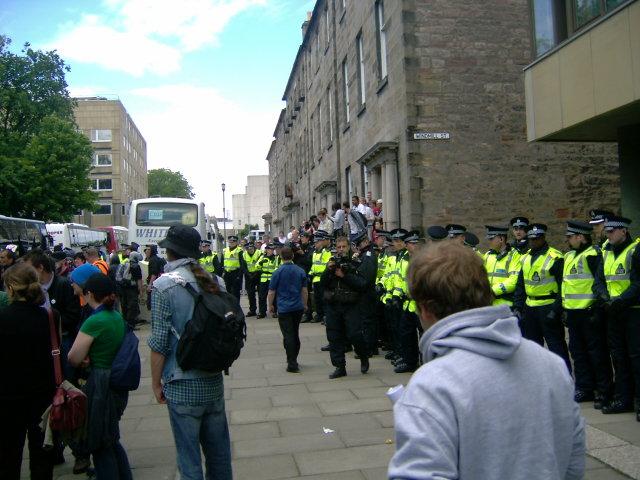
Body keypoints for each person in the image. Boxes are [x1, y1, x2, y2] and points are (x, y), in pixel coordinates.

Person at [388, 241, 585, 480]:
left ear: (425, 309)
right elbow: (573, 464)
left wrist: (416, 414)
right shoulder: (552, 365)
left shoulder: (432, 385)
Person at [148, 225, 232, 480]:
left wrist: (155, 383)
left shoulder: (163, 286)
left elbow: (159, 344)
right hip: (213, 379)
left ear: (170, 252)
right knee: (219, 457)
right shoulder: (216, 281)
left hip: (181, 381)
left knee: (189, 461)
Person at [68, 273, 132, 480]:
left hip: (100, 383)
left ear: (90, 294)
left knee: (100, 440)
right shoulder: (115, 316)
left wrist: (85, 358)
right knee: (111, 438)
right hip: (115, 380)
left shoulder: (94, 321)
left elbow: (73, 358)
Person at [0, 263, 57, 480]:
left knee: (7, 458)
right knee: (42, 458)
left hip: (7, 398)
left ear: (12, 289)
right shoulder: (50, 318)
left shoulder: (3, 319)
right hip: (43, 397)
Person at [562, 220, 613, 409]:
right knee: (578, 353)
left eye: (570, 237)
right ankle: (585, 387)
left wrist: (598, 310)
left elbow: (600, 283)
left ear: (580, 237)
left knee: (597, 354)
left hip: (590, 312)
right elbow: (566, 285)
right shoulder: (568, 256)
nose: (567, 241)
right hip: (574, 313)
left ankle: (603, 390)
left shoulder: (593, 255)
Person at [593, 215, 640, 419]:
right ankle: (623, 398)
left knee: (636, 358)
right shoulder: (606, 252)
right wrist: (605, 298)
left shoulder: (635, 251)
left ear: (623, 231)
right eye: (607, 232)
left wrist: (620, 301)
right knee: (618, 358)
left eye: (612, 232)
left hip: (633, 311)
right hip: (613, 312)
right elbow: (599, 281)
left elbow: (639, 283)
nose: (608, 235)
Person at [513, 223, 572, 372]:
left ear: (543, 238)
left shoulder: (555, 257)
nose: (533, 242)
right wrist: (518, 307)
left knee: (556, 346)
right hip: (530, 307)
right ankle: (538, 378)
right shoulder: (525, 258)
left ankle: (564, 376)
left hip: (548, 306)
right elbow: (521, 285)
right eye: (531, 239)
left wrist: (557, 309)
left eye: (536, 239)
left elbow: (563, 286)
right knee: (533, 348)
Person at [320, 236, 370, 378]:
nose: (341, 250)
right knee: (334, 336)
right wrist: (329, 270)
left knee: (354, 334)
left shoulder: (355, 262)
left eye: (344, 247)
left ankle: (363, 356)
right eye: (339, 247)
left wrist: (344, 275)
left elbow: (362, 284)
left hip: (351, 305)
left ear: (349, 247)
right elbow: (322, 283)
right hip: (334, 304)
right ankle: (339, 366)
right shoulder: (331, 262)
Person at [267, 246, 308, 373]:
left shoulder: (277, 272)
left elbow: (271, 292)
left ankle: (292, 362)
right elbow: (304, 290)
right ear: (293, 256)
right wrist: (305, 304)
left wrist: (270, 306)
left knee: (288, 335)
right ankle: (294, 358)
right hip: (297, 307)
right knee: (295, 333)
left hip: (284, 308)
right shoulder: (300, 271)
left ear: (280, 257)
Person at [483, 225, 522, 307]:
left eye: (491, 239)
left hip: (506, 305)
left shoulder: (514, 255)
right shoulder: (488, 255)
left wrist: (493, 291)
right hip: (488, 304)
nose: (489, 241)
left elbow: (514, 281)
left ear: (501, 239)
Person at [308, 231, 332, 323]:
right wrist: (310, 274)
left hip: (323, 278)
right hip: (315, 279)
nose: (315, 244)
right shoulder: (314, 253)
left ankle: (325, 316)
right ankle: (319, 315)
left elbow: (327, 266)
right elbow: (314, 265)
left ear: (321, 242)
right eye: (315, 242)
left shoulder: (326, 252)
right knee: (317, 299)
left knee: (324, 299)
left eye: (317, 242)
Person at [118, 252, 144, 329]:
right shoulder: (136, 266)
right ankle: (131, 325)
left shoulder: (124, 263)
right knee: (132, 307)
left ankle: (124, 324)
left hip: (123, 287)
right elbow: (139, 280)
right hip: (132, 289)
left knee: (124, 305)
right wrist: (141, 291)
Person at [257, 243, 280, 318]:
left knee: (274, 296)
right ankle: (262, 312)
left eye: (272, 249)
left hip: (271, 278)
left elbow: (277, 267)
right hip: (263, 279)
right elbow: (256, 266)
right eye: (270, 249)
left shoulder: (276, 258)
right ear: (266, 250)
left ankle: (274, 311)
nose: (271, 251)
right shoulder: (262, 257)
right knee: (262, 296)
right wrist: (260, 263)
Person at [242, 242, 263, 317]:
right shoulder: (244, 254)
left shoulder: (259, 253)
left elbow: (261, 264)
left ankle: (262, 311)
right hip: (249, 276)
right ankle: (252, 310)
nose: (250, 250)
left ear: (254, 247)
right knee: (250, 294)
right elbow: (243, 266)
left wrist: (255, 273)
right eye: (248, 248)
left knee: (261, 294)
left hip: (258, 275)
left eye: (251, 248)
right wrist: (248, 274)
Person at [222, 235, 244, 301]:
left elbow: (242, 265)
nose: (232, 243)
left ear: (236, 242)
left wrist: (239, 276)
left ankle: (236, 309)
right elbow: (222, 263)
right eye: (230, 241)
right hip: (227, 274)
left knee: (236, 293)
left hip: (236, 273)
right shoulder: (225, 250)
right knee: (228, 292)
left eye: (234, 241)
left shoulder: (239, 251)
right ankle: (230, 308)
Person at [146, 245, 166, 311]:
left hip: (154, 285)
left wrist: (150, 285)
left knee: (151, 304)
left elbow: (154, 273)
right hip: (157, 284)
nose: (146, 251)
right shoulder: (155, 258)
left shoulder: (153, 260)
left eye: (148, 249)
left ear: (152, 251)